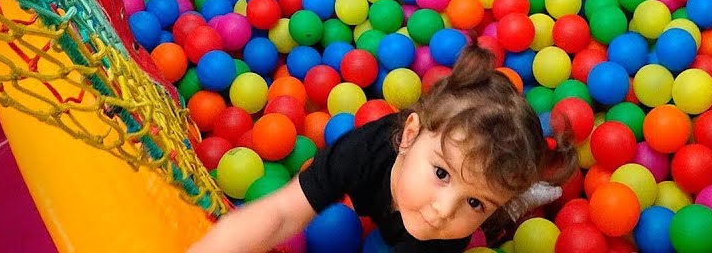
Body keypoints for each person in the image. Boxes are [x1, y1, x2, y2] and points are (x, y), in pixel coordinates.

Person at [186, 46, 575, 253]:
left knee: (495, 220)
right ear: (408, 135)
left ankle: (521, 195)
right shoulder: (359, 153)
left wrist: (484, 204)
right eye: (441, 173)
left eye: (475, 202)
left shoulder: (444, 239)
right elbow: (282, 212)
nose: (443, 211)